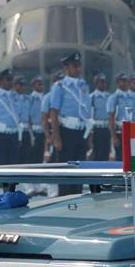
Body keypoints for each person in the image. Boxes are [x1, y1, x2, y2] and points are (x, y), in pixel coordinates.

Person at [46, 53, 91, 195]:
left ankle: (77, 197)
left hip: (81, 130)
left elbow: (86, 111)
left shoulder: (84, 85)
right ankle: (64, 199)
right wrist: (57, 137)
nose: (78, 69)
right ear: (66, 68)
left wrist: (88, 136)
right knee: (66, 170)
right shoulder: (59, 86)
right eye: (74, 66)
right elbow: (54, 112)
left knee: (79, 168)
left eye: (79, 66)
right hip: (66, 131)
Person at [0, 69, 24, 165]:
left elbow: (18, 117)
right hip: (1, 134)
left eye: (11, 79)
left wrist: (19, 138)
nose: (10, 82)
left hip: (14, 134)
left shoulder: (15, 96)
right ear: (2, 81)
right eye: (8, 79)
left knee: (13, 163)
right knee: (0, 163)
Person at [88, 73, 112, 161]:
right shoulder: (92, 97)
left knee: (106, 153)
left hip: (107, 128)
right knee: (97, 153)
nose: (103, 84)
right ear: (96, 84)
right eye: (101, 82)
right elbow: (89, 116)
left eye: (105, 82)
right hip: (97, 129)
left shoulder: (109, 97)